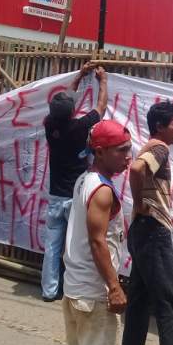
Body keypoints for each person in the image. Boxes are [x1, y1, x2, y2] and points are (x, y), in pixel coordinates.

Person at [122, 101, 173, 345]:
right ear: (160, 126)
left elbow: (138, 169)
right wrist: (139, 202)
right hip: (153, 229)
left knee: (139, 295)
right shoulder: (159, 148)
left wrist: (139, 205)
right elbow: (136, 170)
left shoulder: (151, 145)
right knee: (170, 300)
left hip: (141, 228)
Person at [62, 119, 131, 345]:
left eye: (128, 149)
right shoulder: (102, 190)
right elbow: (97, 242)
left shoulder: (85, 179)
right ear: (100, 152)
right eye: (120, 150)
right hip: (93, 291)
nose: (127, 157)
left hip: (76, 286)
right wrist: (114, 287)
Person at [41, 62, 108, 302]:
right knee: (75, 247)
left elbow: (66, 99)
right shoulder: (79, 127)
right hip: (74, 197)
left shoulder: (50, 125)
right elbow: (100, 107)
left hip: (55, 196)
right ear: (72, 111)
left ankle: (49, 291)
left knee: (52, 247)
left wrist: (79, 75)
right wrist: (104, 81)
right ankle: (73, 290)